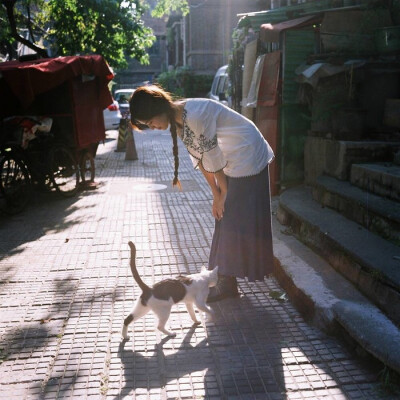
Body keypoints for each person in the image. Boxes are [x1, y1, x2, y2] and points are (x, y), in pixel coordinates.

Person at [129, 85, 275, 302]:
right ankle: (227, 281)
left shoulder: (194, 115)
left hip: (247, 152)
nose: (154, 127)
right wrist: (216, 195)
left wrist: (221, 194)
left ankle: (227, 282)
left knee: (230, 215)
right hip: (231, 159)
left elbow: (212, 157)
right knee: (223, 215)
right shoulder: (178, 120)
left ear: (159, 108)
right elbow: (201, 159)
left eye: (151, 122)